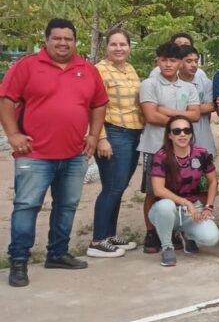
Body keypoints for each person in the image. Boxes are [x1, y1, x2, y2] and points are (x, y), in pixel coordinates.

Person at [2, 19, 107, 287]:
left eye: (68, 38)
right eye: (57, 38)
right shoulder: (26, 66)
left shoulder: (87, 69)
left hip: (74, 154)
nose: (63, 43)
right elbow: (7, 100)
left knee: (67, 205)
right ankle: (18, 261)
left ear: (75, 41)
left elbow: (98, 104)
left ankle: (58, 253)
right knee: (27, 206)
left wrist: (94, 135)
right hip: (34, 153)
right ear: (46, 39)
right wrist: (13, 134)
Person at [138, 42, 202, 254]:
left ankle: (176, 230)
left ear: (180, 63)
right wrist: (179, 118)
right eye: (163, 60)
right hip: (154, 146)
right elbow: (150, 115)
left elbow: (195, 115)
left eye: (172, 60)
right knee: (152, 192)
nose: (167, 64)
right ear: (157, 61)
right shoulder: (150, 84)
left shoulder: (189, 87)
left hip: (181, 148)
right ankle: (151, 232)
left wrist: (164, 111)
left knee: (178, 189)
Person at [91, 28, 144, 257]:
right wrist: (101, 138)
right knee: (112, 187)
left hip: (133, 134)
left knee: (119, 187)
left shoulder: (130, 69)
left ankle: (109, 236)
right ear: (106, 47)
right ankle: (98, 241)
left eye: (123, 44)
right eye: (114, 44)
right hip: (114, 134)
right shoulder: (99, 71)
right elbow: (93, 107)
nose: (119, 48)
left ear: (129, 47)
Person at [147, 115, 219, 266]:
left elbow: (213, 181)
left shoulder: (201, 153)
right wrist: (185, 203)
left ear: (191, 134)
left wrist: (208, 207)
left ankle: (187, 235)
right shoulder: (161, 156)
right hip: (167, 209)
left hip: (192, 210)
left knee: (211, 238)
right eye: (177, 131)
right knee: (165, 205)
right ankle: (167, 247)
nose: (182, 134)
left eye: (186, 130)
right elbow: (158, 190)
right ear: (169, 135)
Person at [178, 45, 216, 159]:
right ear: (179, 62)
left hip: (202, 135)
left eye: (196, 61)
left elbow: (211, 106)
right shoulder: (171, 82)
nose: (194, 65)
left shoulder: (206, 83)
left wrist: (181, 110)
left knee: (205, 169)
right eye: (189, 61)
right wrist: (195, 110)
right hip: (178, 134)